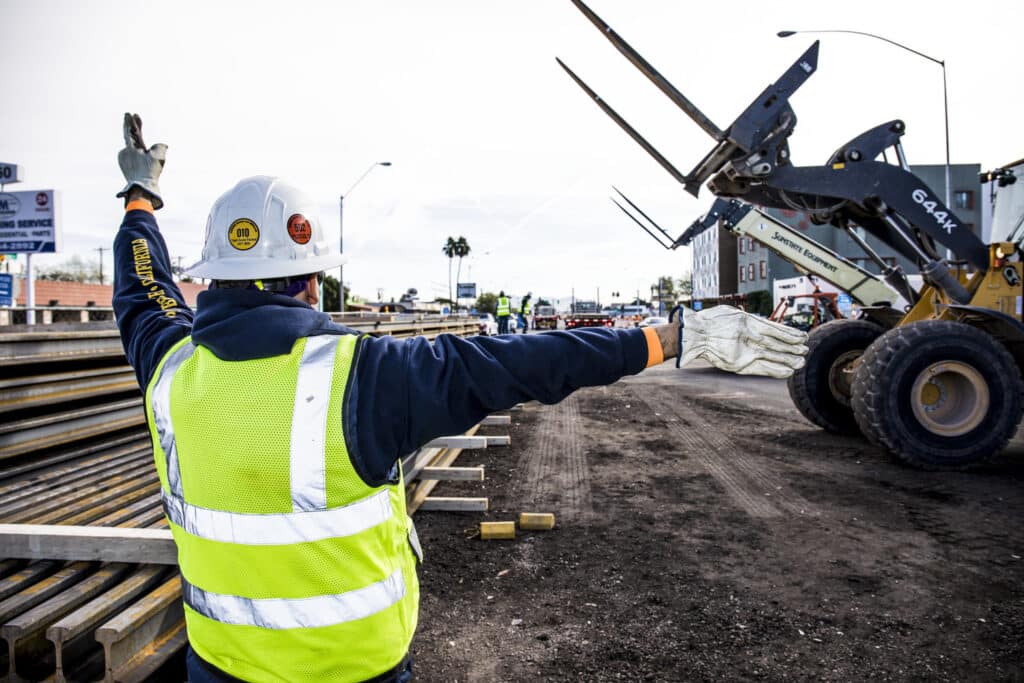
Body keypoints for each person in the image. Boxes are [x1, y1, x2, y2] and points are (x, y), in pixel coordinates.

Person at [112, 114, 807, 683]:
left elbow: (141, 292)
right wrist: (670, 339)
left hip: (220, 667)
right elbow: (528, 361)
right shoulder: (362, 374)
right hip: (356, 670)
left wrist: (139, 200)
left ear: (213, 280)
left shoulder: (169, 368)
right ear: (310, 281)